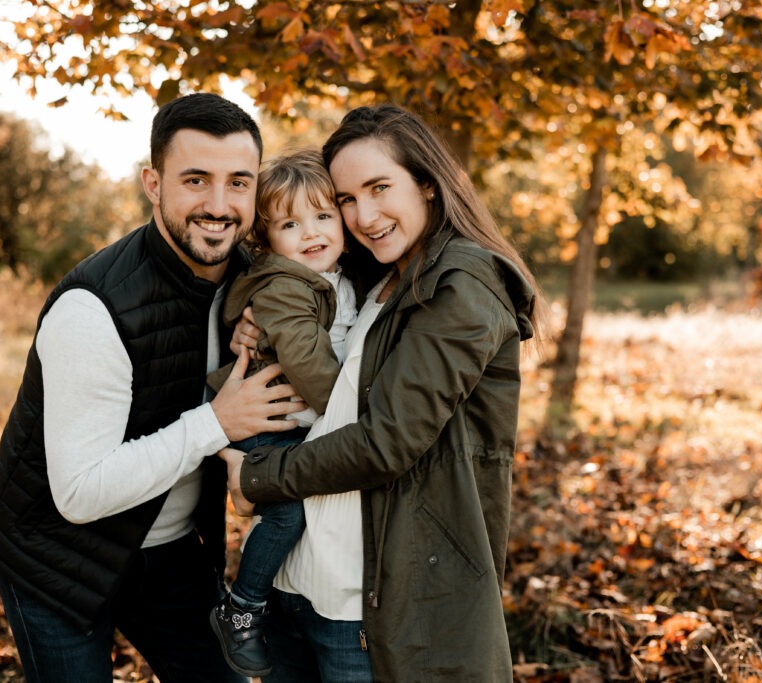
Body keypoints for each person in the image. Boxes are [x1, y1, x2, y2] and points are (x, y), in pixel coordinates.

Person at [0, 92, 306, 683]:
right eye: (196, 180)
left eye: (239, 182)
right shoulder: (93, 308)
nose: (219, 204)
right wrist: (218, 425)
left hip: (167, 545)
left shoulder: (257, 282)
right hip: (56, 554)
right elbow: (77, 495)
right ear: (153, 184)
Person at [224, 103, 546, 682]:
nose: (363, 215)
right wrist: (260, 325)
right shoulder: (375, 276)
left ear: (427, 184)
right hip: (298, 581)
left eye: (379, 187)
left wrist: (256, 478)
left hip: (363, 601)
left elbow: (385, 442)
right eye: (346, 199)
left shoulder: (462, 282)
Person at [207, 148, 358, 677]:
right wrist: (350, 420)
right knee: (287, 512)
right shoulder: (284, 285)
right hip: (268, 422)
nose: (311, 232)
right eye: (290, 224)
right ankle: (242, 606)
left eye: (323, 216)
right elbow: (308, 361)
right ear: (266, 239)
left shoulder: (333, 274)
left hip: (296, 424)